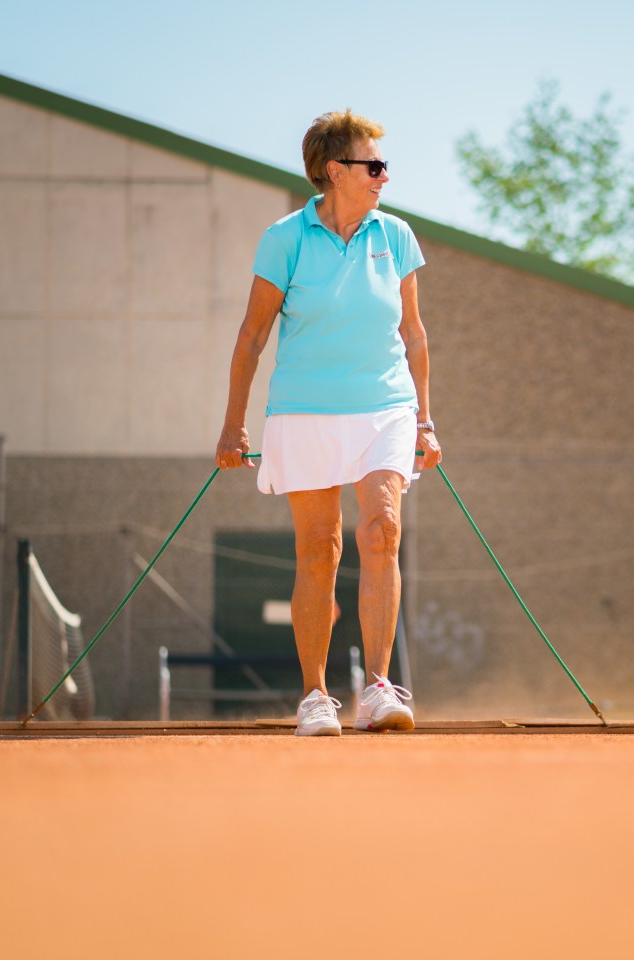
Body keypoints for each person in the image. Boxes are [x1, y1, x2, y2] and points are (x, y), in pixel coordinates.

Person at [215, 110, 442, 736]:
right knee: (319, 550)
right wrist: (234, 426)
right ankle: (315, 695)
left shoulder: (395, 236)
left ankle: (377, 687)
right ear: (334, 171)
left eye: (384, 166)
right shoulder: (284, 239)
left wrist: (424, 420)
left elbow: (415, 334)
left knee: (382, 530)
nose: (383, 177)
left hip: (385, 407)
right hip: (304, 409)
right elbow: (253, 335)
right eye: (373, 166)